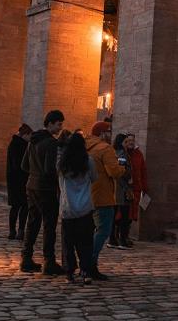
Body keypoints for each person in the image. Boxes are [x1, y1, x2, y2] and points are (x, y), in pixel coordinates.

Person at [20, 110, 66, 275]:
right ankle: (49, 261)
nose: (61, 127)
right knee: (49, 225)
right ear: (51, 123)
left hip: (31, 185)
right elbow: (49, 170)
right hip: (45, 189)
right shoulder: (51, 143)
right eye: (59, 124)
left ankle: (26, 258)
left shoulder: (33, 141)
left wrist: (34, 172)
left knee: (32, 222)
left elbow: (24, 165)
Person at [86, 121, 125, 280]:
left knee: (90, 232)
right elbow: (113, 171)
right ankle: (90, 263)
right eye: (109, 132)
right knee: (103, 231)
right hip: (103, 195)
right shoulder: (105, 148)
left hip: (87, 195)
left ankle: (86, 262)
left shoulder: (86, 146)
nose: (110, 135)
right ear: (102, 133)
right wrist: (122, 167)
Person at [57, 131, 98, 285]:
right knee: (85, 242)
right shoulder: (88, 161)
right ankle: (85, 271)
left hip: (67, 207)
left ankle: (69, 272)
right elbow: (95, 178)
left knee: (68, 242)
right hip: (85, 207)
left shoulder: (62, 163)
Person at [121, 133, 148, 249]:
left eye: (133, 140)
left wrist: (145, 187)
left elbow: (143, 171)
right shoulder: (123, 154)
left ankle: (125, 236)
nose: (131, 142)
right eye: (129, 140)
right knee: (123, 215)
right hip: (125, 188)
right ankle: (121, 236)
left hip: (136, 188)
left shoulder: (138, 154)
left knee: (131, 215)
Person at [6, 123, 32, 239]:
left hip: (13, 180)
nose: (30, 138)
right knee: (22, 206)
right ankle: (18, 230)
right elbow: (19, 164)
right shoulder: (20, 145)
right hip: (20, 179)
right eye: (29, 136)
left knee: (17, 206)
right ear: (24, 135)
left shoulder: (14, 144)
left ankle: (14, 231)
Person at [108, 133, 132, 249]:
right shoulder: (122, 154)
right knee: (124, 215)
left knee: (114, 215)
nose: (128, 144)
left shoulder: (113, 152)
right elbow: (121, 171)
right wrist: (128, 177)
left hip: (114, 188)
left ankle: (112, 238)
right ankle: (122, 239)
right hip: (121, 188)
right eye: (126, 142)